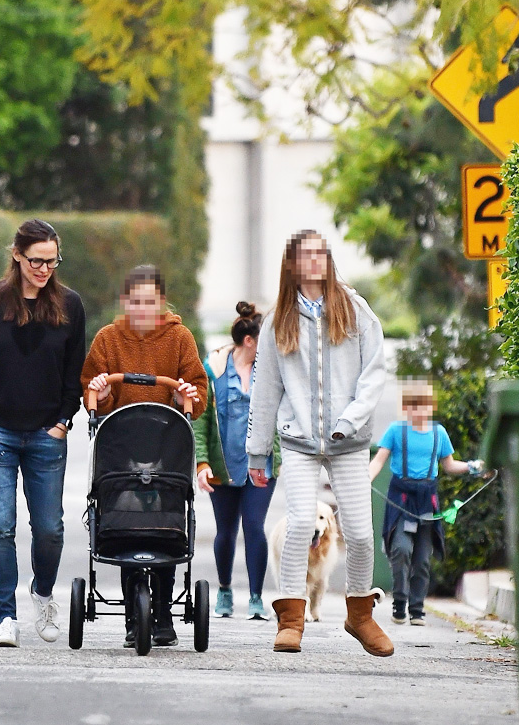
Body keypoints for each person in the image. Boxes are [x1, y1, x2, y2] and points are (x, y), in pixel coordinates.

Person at [247, 229, 392, 656]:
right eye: (305, 255)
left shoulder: (355, 309)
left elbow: (374, 373)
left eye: (320, 253)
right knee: (296, 527)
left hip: (348, 440)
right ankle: (291, 618)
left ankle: (360, 615)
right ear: (291, 264)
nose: (315, 260)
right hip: (298, 442)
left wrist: (350, 420)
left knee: (362, 536)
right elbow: (266, 388)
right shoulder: (279, 319)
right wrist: (258, 451)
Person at [0, 218, 86, 649]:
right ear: (17, 255)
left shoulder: (69, 306)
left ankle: (43, 594)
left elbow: (74, 373)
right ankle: (5, 618)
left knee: (50, 529)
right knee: (1, 526)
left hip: (48, 434)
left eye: (52, 261)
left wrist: (64, 420)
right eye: (36, 260)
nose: (44, 269)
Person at [81, 264, 207, 648]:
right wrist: (100, 392)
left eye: (150, 302)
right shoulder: (108, 339)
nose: (142, 309)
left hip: (166, 450)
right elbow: (90, 392)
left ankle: (164, 609)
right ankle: (134, 620)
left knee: (165, 522)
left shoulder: (179, 338)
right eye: (135, 302)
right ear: (125, 302)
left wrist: (186, 394)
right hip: (121, 452)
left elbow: (198, 390)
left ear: (161, 303)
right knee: (126, 522)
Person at [369, 379, 485, 626]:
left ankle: (417, 608)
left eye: (423, 406)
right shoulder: (395, 431)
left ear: (430, 407)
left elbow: (450, 465)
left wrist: (473, 468)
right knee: (400, 550)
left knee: (422, 558)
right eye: (413, 406)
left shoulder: (438, 433)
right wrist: (364, 479)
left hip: (427, 500)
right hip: (401, 497)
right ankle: (400, 601)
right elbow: (379, 461)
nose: (418, 411)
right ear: (406, 408)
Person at [194, 301, 280, 621]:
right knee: (225, 531)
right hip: (223, 465)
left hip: (261, 465)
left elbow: (281, 419)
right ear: (250, 341)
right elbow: (200, 421)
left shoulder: (271, 372)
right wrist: (202, 463)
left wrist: (279, 460)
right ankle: (225, 590)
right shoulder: (213, 370)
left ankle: (257, 597)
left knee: (255, 525)